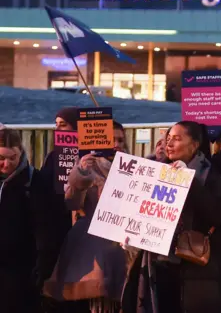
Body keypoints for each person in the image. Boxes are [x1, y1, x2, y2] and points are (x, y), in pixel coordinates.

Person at [121, 121, 221, 313]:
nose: (169, 144)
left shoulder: (211, 176)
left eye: (177, 139)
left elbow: (219, 214)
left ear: (195, 144)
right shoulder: (158, 171)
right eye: (168, 139)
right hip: (160, 265)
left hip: (196, 271)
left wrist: (187, 181)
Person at [43, 121, 130, 313]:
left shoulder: (133, 166)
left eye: (120, 140)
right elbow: (72, 203)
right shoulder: (88, 165)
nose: (116, 144)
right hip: (96, 248)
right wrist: (81, 173)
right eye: (111, 139)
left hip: (125, 247)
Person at [34, 107, 81, 312]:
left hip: (81, 229)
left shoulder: (93, 157)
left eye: (63, 125)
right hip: (58, 227)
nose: (58, 129)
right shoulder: (54, 156)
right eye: (56, 125)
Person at [0, 129, 39, 313]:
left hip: (21, 271)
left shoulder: (33, 181)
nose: (6, 164)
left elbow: (45, 228)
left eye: (12, 158)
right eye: (1, 158)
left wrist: (40, 269)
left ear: (21, 153)